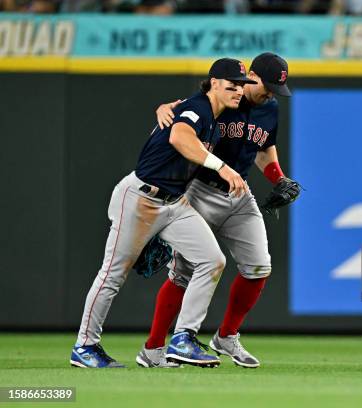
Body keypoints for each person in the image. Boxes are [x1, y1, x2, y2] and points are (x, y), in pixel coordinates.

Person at [70, 58, 256, 368]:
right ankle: (85, 346)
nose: (238, 90)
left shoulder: (209, 112)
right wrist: (221, 166)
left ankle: (181, 339)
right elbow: (179, 137)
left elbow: (177, 122)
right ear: (213, 84)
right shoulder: (198, 108)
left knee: (213, 260)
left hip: (174, 203)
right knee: (113, 275)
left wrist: (165, 108)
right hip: (141, 198)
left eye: (242, 85)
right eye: (231, 85)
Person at [135, 52, 297, 369]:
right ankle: (153, 348)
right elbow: (187, 115)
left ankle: (226, 336)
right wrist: (167, 107)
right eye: (266, 86)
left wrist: (278, 178)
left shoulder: (270, 107)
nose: (269, 94)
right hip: (199, 190)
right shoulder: (222, 100)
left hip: (239, 194)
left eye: (276, 90)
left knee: (259, 267)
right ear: (250, 75)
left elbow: (262, 147)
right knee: (184, 272)